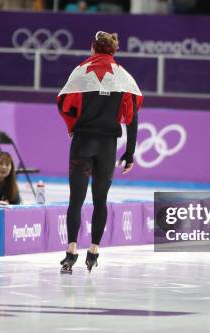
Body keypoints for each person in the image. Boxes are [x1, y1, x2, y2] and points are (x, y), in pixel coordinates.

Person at [56, 31, 143, 273]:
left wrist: (72, 127)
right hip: (107, 147)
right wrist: (130, 152)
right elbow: (132, 116)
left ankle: (71, 252)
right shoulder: (124, 77)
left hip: (83, 142)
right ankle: (93, 251)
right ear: (113, 51)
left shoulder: (81, 71)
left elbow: (63, 104)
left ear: (93, 48)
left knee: (76, 200)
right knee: (100, 201)